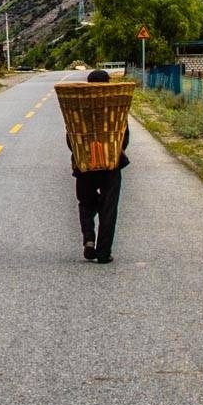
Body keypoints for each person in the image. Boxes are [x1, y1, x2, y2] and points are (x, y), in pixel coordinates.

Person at [74, 68, 130, 263]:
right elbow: (124, 139)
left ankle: (89, 239)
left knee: (86, 203)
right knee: (109, 209)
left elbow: (71, 139)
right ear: (107, 84)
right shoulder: (115, 108)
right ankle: (104, 253)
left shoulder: (77, 109)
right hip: (111, 166)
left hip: (85, 166)